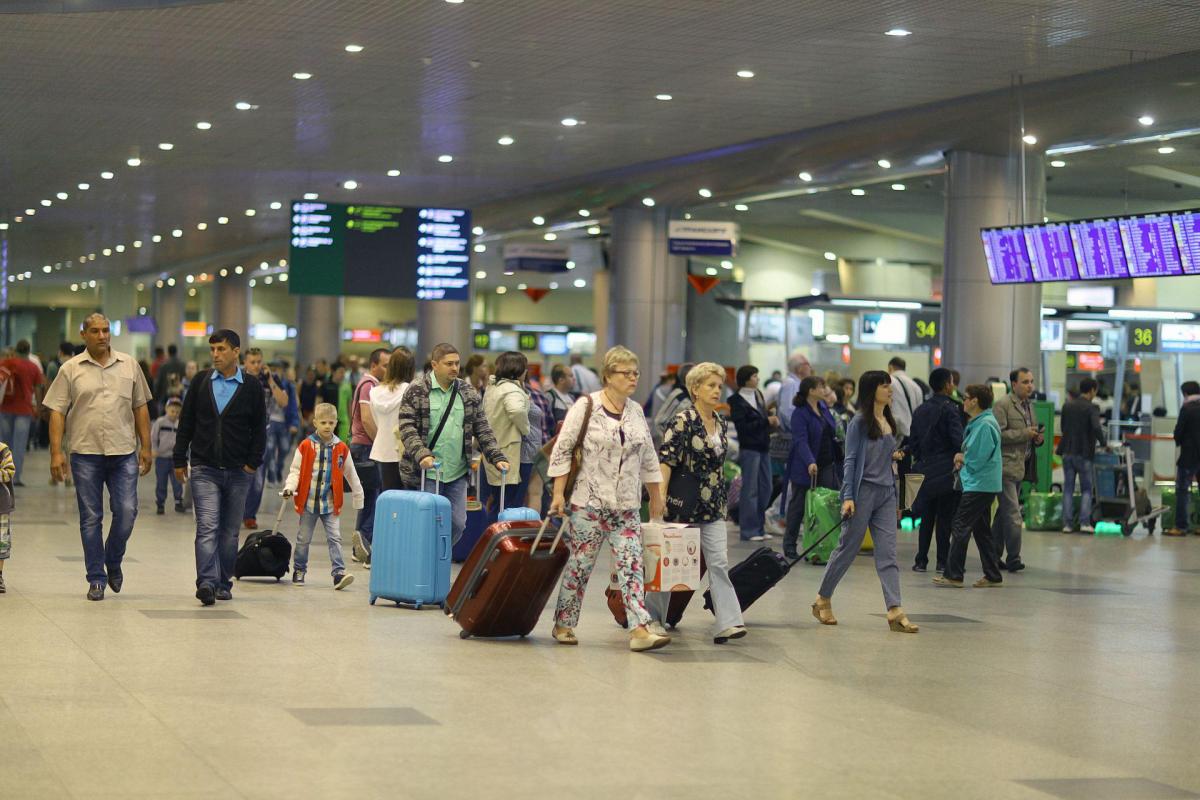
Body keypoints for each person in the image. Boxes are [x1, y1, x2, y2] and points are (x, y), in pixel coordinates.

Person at [547, 345, 669, 652]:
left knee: (632, 565)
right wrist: (559, 493)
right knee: (580, 565)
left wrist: (656, 496)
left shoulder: (636, 410)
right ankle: (564, 622)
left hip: (626, 505)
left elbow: (649, 457)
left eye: (636, 373)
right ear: (608, 376)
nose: (633, 378)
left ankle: (639, 628)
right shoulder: (586, 406)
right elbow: (563, 448)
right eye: (625, 373)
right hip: (589, 503)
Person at [43, 313, 154, 601]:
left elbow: (141, 407)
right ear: (84, 335)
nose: (102, 335)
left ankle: (113, 559)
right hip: (85, 453)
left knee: (127, 512)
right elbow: (57, 411)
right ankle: (96, 578)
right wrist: (57, 452)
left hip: (123, 452)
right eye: (95, 331)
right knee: (91, 518)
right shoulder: (70, 369)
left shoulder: (129, 365)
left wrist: (147, 446)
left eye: (106, 330)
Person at [811, 370, 917, 633]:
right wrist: (848, 496)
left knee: (888, 553)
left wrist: (894, 456)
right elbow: (851, 460)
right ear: (872, 390)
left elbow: (882, 454)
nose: (890, 390)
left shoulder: (888, 420)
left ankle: (894, 609)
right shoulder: (859, 422)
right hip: (862, 493)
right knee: (847, 548)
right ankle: (822, 598)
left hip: (886, 493)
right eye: (884, 386)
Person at [649, 361, 746, 644]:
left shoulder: (721, 422)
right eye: (711, 386)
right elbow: (666, 460)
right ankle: (653, 618)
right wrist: (660, 495)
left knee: (718, 562)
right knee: (668, 565)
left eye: (719, 386)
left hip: (713, 505)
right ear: (695, 389)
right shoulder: (682, 421)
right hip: (682, 503)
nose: (718, 391)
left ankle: (728, 622)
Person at [173, 330, 266, 607]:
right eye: (212, 349)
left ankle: (224, 581)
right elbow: (186, 422)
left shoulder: (251, 387)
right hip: (204, 468)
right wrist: (180, 459)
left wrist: (252, 463)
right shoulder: (201, 382)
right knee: (207, 526)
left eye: (221, 349)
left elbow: (259, 429)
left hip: (239, 471)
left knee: (229, 532)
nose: (215, 354)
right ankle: (206, 582)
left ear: (236, 351)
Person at [396, 343, 509, 545]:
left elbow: (482, 428)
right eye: (449, 364)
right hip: (428, 472)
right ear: (434, 365)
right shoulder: (417, 390)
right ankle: (427, 565)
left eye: (457, 363)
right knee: (426, 524)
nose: (455, 368)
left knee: (458, 523)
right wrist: (422, 454)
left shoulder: (467, 392)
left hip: (456, 472)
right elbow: (407, 426)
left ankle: (438, 557)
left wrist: (496, 457)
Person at [282, 403, 363, 589]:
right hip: (308, 503)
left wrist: (359, 496)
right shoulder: (305, 446)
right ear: (315, 422)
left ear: (336, 423)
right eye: (323, 422)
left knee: (335, 538)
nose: (327, 426)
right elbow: (295, 471)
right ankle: (299, 569)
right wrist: (289, 487)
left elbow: (351, 474)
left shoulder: (342, 448)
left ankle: (338, 573)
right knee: (303, 539)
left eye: (331, 422)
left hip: (330, 504)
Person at [934, 384, 1004, 588]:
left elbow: (978, 457)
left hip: (979, 484)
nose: (962, 401)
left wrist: (961, 457)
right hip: (983, 483)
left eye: (965, 398)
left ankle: (954, 574)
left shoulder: (984, 425)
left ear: (975, 401)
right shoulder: (981, 422)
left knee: (960, 525)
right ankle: (992, 574)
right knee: (981, 530)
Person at [907, 367, 964, 573]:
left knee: (926, 516)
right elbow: (958, 440)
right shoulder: (951, 409)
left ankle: (921, 560)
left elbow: (912, 440)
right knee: (944, 517)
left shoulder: (920, 409)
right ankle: (942, 561)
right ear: (947, 385)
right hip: (945, 469)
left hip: (923, 468)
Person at [780, 375, 842, 559]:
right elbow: (800, 440)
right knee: (798, 505)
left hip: (826, 463)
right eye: (821, 387)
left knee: (825, 505)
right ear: (811, 391)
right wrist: (809, 461)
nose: (825, 390)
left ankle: (821, 545)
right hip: (806, 465)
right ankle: (789, 544)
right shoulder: (800, 413)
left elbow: (832, 432)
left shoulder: (823, 408)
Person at [991, 367, 1042, 571]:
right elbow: (998, 435)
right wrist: (1024, 434)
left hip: (1021, 465)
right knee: (1013, 515)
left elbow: (1032, 432)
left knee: (1003, 514)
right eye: (1025, 382)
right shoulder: (1003, 405)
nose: (1030, 386)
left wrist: (1037, 438)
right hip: (1005, 467)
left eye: (1031, 381)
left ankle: (993, 555)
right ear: (1014, 384)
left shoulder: (1029, 406)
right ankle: (1014, 558)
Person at [241, 348, 290, 530]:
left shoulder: (270, 378)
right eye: (252, 362)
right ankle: (234, 511)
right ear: (245, 362)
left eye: (258, 362)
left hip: (262, 433)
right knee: (236, 475)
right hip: (238, 433)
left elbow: (283, 401)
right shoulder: (238, 377)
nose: (255, 365)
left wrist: (270, 380)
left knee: (258, 477)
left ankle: (249, 515)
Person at [349, 347, 390, 564]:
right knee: (373, 499)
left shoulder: (372, 385)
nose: (388, 369)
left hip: (363, 447)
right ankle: (365, 544)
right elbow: (366, 419)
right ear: (374, 364)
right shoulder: (368, 385)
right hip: (366, 448)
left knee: (367, 500)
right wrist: (380, 443)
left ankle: (360, 547)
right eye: (385, 365)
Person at [728, 364, 777, 542]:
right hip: (749, 448)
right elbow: (744, 428)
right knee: (750, 489)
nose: (757, 379)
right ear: (747, 379)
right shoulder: (736, 401)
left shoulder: (758, 396)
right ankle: (748, 530)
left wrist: (768, 419)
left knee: (766, 487)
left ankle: (759, 525)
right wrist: (766, 420)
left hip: (764, 447)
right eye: (755, 376)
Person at [481, 351, 531, 520]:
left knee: (496, 502)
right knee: (506, 506)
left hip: (493, 450)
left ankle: (490, 541)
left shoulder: (493, 388)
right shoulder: (511, 390)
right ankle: (499, 542)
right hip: (507, 452)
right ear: (519, 369)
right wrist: (525, 429)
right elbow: (516, 410)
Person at [1058, 377, 1105, 534]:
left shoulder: (1067, 405)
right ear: (1092, 390)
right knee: (1086, 489)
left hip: (1067, 451)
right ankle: (1084, 523)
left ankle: (1067, 524)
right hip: (1084, 453)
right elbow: (1096, 427)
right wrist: (1104, 443)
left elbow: (1063, 427)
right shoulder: (1092, 408)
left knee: (1068, 489)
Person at [0, 339, 46, 486]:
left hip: (5, 408)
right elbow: (39, 388)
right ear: (28, 350)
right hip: (24, 410)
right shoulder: (33, 367)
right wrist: (38, 408)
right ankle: (16, 477)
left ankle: (3, 475)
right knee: (19, 445)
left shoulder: (6, 363)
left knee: (5, 445)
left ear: (16, 350)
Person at [369, 347, 415, 492]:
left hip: (382, 451)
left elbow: (376, 420)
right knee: (407, 500)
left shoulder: (374, 392)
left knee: (387, 498)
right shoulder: (411, 390)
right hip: (405, 451)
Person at [1168, 380, 1200, 536]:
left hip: (1189, 456)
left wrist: (1178, 440)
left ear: (1186, 394)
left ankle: (1181, 526)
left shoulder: (1187, 409)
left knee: (1182, 490)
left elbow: (1178, 432)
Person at [263, 359, 300, 484]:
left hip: (284, 422)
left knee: (284, 448)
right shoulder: (265, 382)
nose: (274, 372)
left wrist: (294, 422)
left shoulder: (288, 385)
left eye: (277, 370)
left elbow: (293, 404)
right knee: (270, 448)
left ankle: (278, 469)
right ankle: (272, 476)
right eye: (272, 369)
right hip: (270, 421)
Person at [151, 397, 185, 514]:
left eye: (177, 412)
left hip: (175, 459)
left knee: (177, 481)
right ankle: (160, 503)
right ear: (166, 409)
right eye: (172, 411)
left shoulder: (180, 424)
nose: (174, 414)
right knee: (161, 482)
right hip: (162, 458)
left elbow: (183, 440)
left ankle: (178, 501)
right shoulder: (160, 422)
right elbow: (154, 437)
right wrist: (154, 449)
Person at [651, 363, 694, 448]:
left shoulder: (694, 397)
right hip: (672, 452)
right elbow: (660, 423)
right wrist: (675, 447)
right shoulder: (679, 397)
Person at [774, 349, 813, 434]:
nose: (811, 368)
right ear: (799, 368)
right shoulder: (791, 384)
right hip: (791, 437)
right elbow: (787, 411)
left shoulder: (795, 383)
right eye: (808, 364)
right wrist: (800, 431)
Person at [886, 356, 923, 439]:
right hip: (912, 434)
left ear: (890, 367)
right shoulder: (916, 386)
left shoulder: (889, 382)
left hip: (895, 432)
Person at [0, 441, 16, 594]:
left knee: (2, 543)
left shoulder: (3, 449)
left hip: (1, 506)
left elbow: (10, 470)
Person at [153, 343, 186, 410]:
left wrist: (156, 397)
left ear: (168, 352)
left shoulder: (164, 366)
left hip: (166, 397)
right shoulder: (183, 365)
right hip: (179, 396)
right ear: (176, 352)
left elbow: (158, 383)